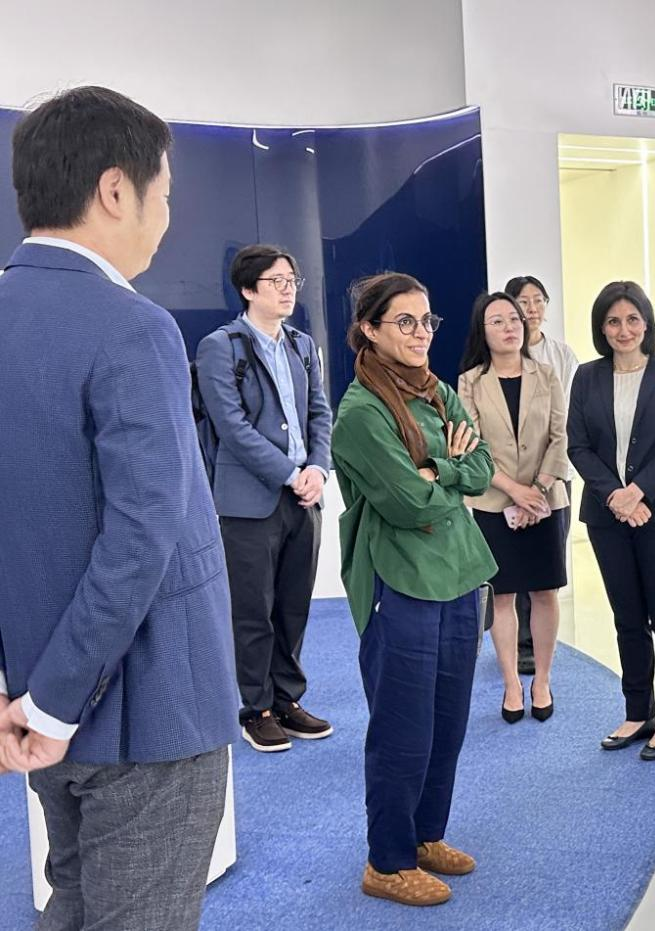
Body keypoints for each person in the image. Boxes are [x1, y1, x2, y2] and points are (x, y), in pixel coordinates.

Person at [0, 86, 236, 930]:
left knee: (73, 901)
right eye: (163, 195)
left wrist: (29, 695)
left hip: (35, 698)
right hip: (144, 707)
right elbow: (142, 535)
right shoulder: (130, 325)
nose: (165, 219)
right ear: (113, 190)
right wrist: (57, 701)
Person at [331, 272, 497, 907]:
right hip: (399, 581)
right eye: (405, 321)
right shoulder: (360, 413)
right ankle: (388, 861)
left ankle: (426, 837)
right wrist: (443, 476)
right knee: (403, 729)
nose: (421, 332)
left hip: (457, 574)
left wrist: (439, 469)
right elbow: (407, 503)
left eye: (427, 320)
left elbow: (481, 468)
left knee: (447, 722)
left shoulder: (438, 391)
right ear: (369, 330)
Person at [196, 244, 334, 753]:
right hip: (248, 501)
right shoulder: (221, 346)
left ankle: (287, 699)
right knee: (253, 609)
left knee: (294, 606)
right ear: (248, 289)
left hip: (305, 497)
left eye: (292, 280)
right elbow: (231, 427)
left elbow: (320, 412)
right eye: (277, 281)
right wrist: (289, 473)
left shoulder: (301, 344)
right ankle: (256, 709)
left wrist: (317, 468)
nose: (288, 289)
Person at [567, 280, 655, 761]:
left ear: (647, 323)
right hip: (607, 516)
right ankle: (639, 712)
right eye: (613, 321)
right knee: (627, 619)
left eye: (632, 319)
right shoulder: (587, 376)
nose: (624, 330)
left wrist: (637, 492)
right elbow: (578, 445)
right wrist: (615, 497)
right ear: (601, 328)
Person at [458, 292, 571, 723]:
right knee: (501, 595)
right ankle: (511, 684)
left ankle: (542, 680)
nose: (509, 327)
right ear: (482, 332)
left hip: (545, 499)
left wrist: (536, 490)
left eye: (514, 319)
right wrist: (514, 491)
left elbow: (561, 437)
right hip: (493, 502)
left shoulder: (547, 374)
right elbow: (471, 445)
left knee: (544, 592)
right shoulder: (470, 382)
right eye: (498, 321)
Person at [503, 275, 579, 676]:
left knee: (547, 560)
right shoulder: (501, 354)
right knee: (513, 559)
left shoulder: (562, 355)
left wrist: (548, 476)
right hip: (509, 478)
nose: (531, 309)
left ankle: (538, 643)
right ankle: (517, 642)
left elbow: (568, 418)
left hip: (555, 473)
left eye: (538, 300)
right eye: (523, 301)